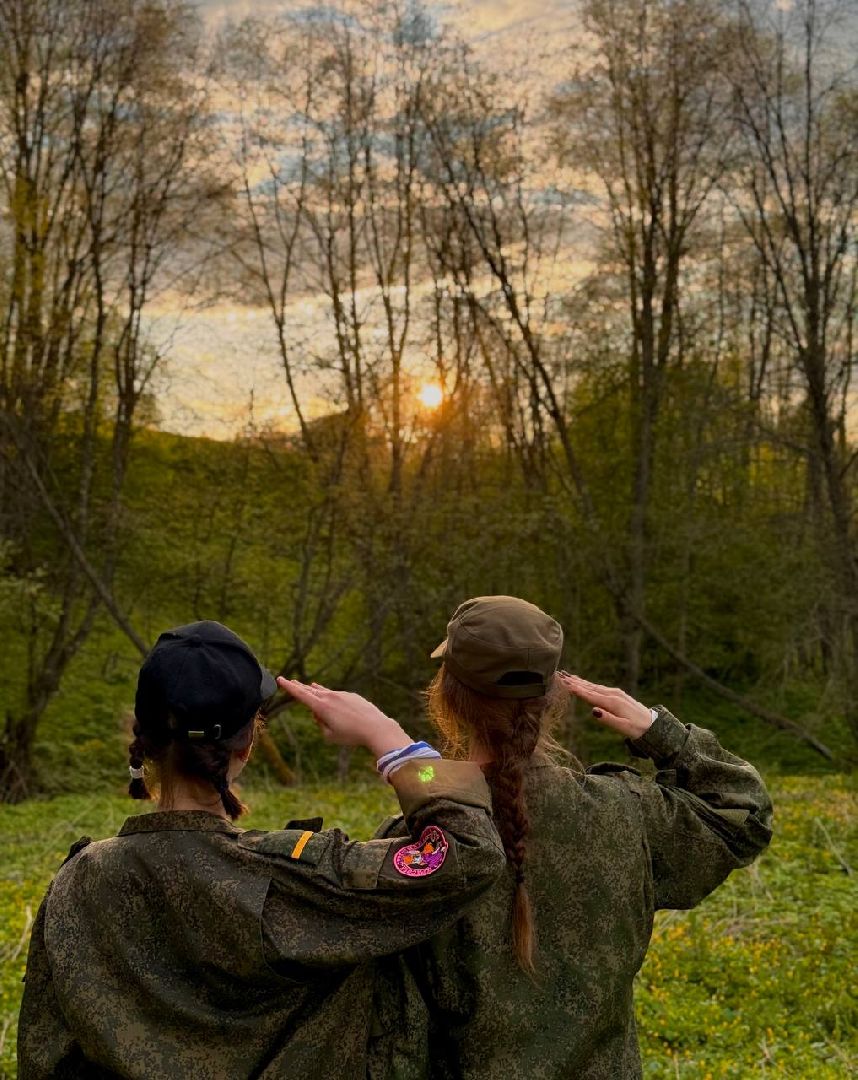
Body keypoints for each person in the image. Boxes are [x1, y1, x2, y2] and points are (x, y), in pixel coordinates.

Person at [17, 620, 506, 1080]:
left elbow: (45, 1054)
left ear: (142, 742)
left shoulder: (75, 885)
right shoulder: (294, 879)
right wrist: (395, 745)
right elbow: (469, 850)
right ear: (247, 745)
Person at [340, 595, 771, 1079]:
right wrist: (659, 731)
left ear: (446, 698)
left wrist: (410, 765)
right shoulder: (627, 815)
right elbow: (743, 812)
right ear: (554, 697)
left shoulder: (424, 846)